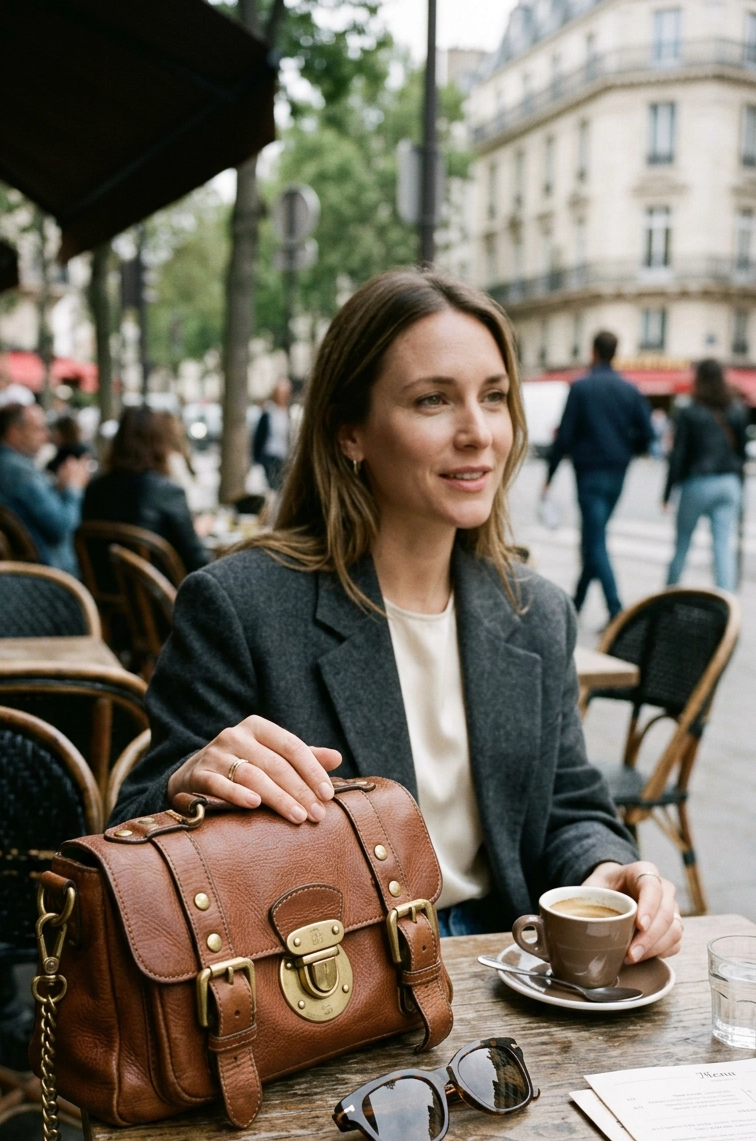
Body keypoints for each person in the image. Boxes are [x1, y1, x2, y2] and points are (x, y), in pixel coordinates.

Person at [112, 269, 681, 961]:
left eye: (495, 397)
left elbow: (568, 804)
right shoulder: (242, 605)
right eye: (433, 399)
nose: (479, 433)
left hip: (512, 957)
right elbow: (135, 827)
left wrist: (608, 872)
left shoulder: (536, 611)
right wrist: (191, 779)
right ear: (350, 433)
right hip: (328, 985)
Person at [542, 331, 654, 623]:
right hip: (617, 473)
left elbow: (563, 436)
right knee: (595, 537)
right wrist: (629, 451)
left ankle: (616, 610)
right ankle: (576, 601)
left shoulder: (581, 388)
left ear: (593, 352)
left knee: (594, 539)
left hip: (589, 472)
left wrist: (550, 474)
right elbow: (648, 434)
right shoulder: (630, 389)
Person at [82, 406, 211, 573]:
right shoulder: (166, 491)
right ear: (159, 442)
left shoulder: (95, 487)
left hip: (103, 592)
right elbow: (196, 559)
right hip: (157, 593)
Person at [665, 360, 747, 591]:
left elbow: (679, 454)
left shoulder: (690, 411)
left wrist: (667, 491)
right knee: (722, 547)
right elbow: (740, 453)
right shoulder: (737, 408)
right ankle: (728, 605)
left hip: (698, 482)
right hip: (729, 482)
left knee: (682, 544)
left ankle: (667, 597)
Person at [0, 402, 89, 573]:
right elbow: (60, 527)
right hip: (48, 578)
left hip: (15, 574)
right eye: (38, 429)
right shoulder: (19, 471)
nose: (46, 435)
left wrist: (60, 489)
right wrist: (74, 488)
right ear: (14, 432)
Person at [252, 378, 292, 489]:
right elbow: (258, 437)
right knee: (274, 486)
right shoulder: (268, 414)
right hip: (269, 456)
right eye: (280, 393)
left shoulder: (288, 413)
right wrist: (257, 460)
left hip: (284, 457)